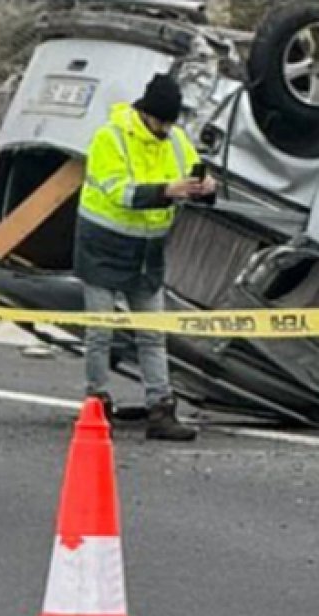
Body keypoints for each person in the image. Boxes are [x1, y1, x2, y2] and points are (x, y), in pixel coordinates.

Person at [75, 74, 217, 441]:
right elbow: (119, 192)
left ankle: (161, 409)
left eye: (172, 122)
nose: (166, 129)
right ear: (145, 112)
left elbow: (191, 171)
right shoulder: (111, 137)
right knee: (100, 334)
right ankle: (96, 402)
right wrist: (167, 191)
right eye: (162, 122)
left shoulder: (175, 140)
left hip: (147, 254)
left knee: (152, 335)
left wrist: (204, 187)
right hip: (103, 249)